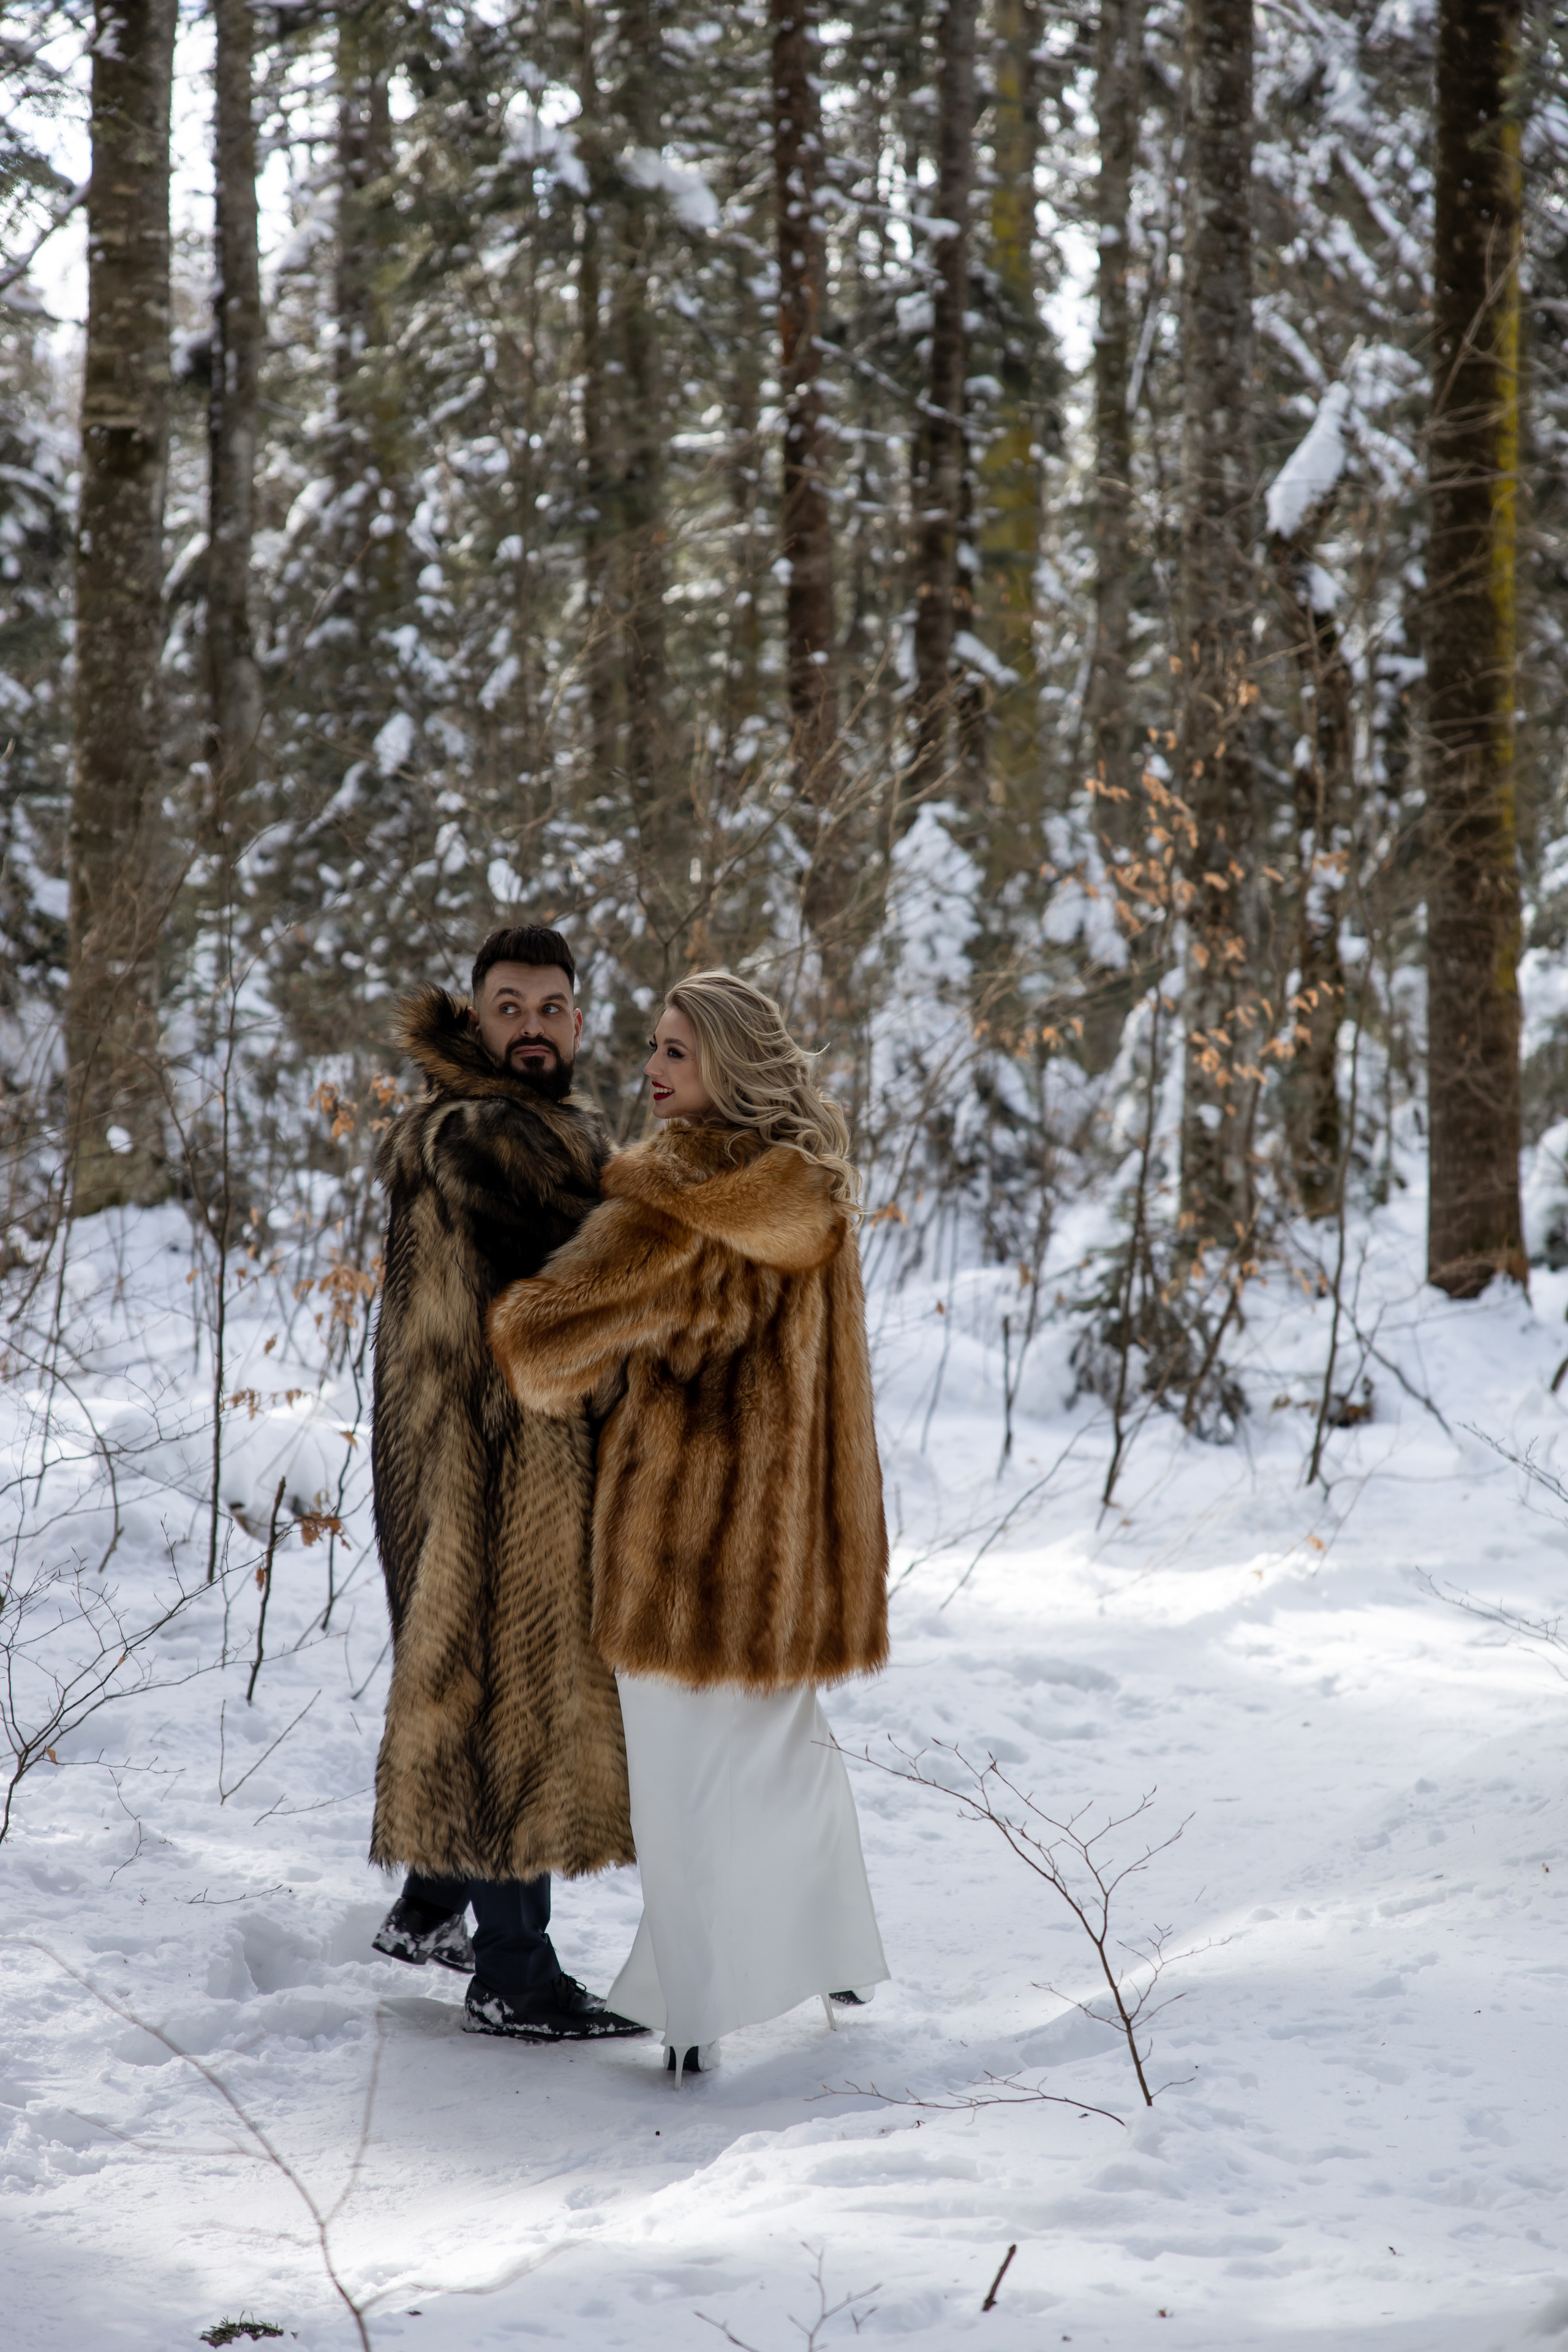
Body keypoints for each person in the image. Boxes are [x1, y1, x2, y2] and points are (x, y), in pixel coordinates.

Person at [488, 970, 891, 2080]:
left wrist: (519, 1293)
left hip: (680, 1554)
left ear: (728, 1067)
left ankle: (699, 2016)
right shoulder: (808, 1192)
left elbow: (545, 1346)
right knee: (785, 1768)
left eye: (675, 1052)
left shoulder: (674, 1200)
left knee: (685, 1796)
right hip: (793, 1557)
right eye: (654, 1049)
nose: (652, 1070)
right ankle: (832, 1952)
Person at [368, 924, 644, 2044]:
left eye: (551, 1008)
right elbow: (577, 1294)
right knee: (503, 1698)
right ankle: (513, 1975)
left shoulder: (519, 1126)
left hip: (459, 1456)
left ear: (576, 1022)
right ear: (476, 1019)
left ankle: (431, 1906)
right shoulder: (483, 1133)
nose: (532, 1028)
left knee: (457, 1680)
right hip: (486, 1471)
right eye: (510, 1008)